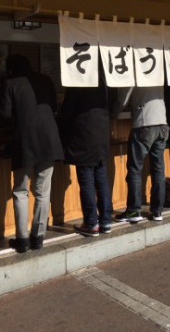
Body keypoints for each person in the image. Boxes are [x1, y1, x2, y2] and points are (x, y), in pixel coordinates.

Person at [0, 54, 64, 253]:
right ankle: (38, 237)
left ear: (10, 69)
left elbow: (5, 114)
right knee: (42, 192)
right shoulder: (44, 80)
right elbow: (53, 106)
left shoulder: (9, 83)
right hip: (49, 141)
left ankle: (23, 239)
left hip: (25, 142)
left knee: (20, 191)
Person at [60, 72, 112, 237]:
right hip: (102, 134)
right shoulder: (106, 81)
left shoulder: (77, 82)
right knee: (102, 179)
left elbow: (66, 112)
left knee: (87, 181)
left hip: (83, 135)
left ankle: (91, 223)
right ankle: (105, 221)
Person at [112, 86, 169, 223]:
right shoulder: (157, 70)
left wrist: (112, 113)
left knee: (135, 169)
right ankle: (157, 211)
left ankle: (133, 210)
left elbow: (123, 98)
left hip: (144, 123)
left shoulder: (136, 71)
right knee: (158, 170)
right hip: (162, 123)